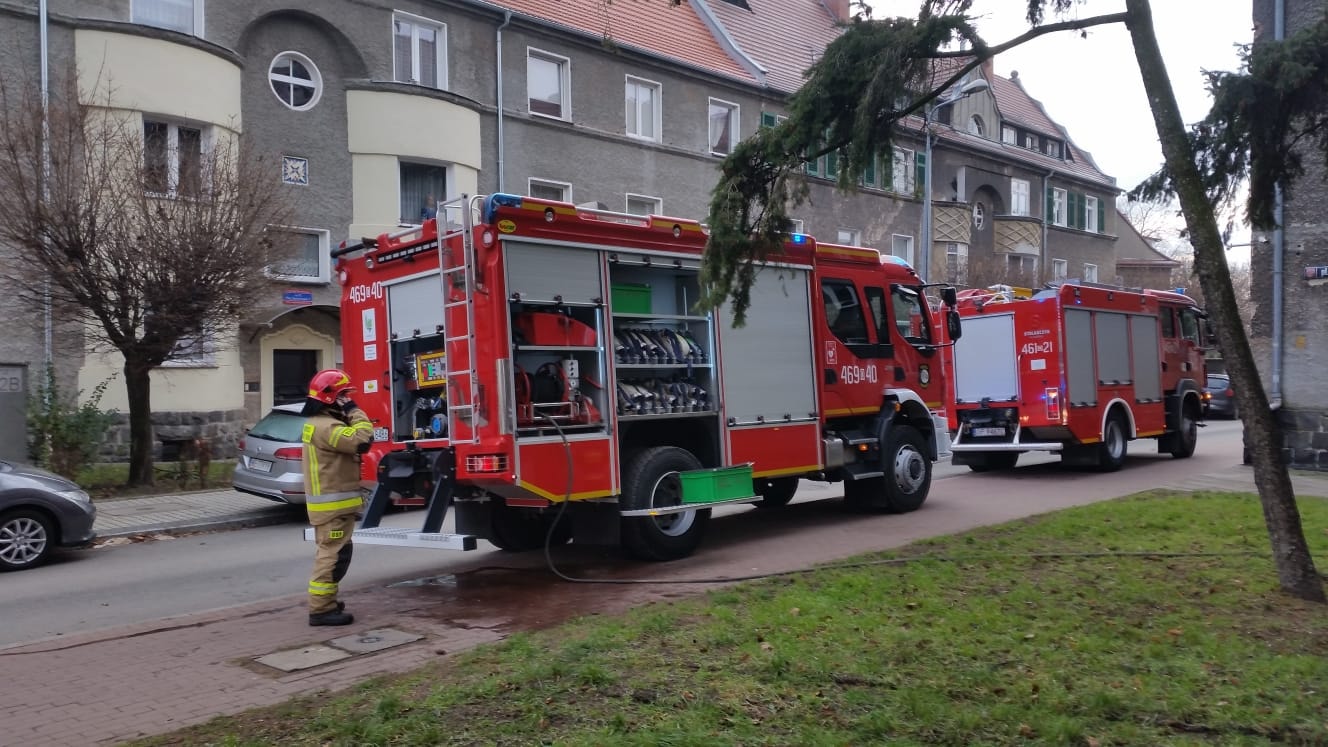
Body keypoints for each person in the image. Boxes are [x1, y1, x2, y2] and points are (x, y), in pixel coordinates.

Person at [300, 368, 374, 626]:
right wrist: (354, 410)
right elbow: (362, 440)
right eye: (343, 395)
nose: (347, 399)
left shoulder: (319, 423)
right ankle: (320, 610)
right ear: (331, 398)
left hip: (332, 506)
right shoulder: (327, 426)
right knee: (332, 557)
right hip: (332, 507)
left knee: (337, 554)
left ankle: (326, 602)